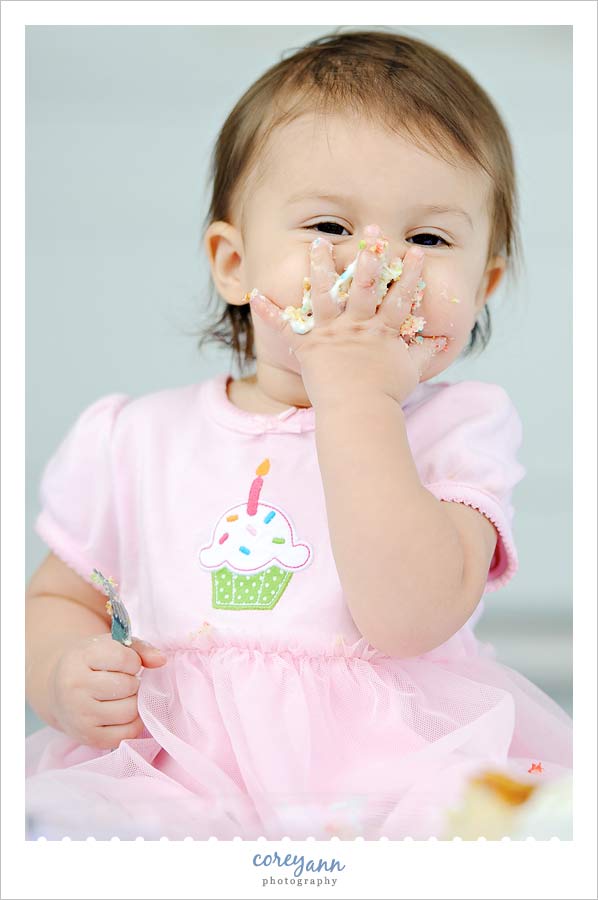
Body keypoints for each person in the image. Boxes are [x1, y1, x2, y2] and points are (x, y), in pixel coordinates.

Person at [25, 29, 572, 840]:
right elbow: (57, 598)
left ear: (484, 282)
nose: (377, 265)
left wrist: (356, 391)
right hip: (178, 768)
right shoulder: (137, 438)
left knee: (497, 836)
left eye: (428, 239)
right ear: (233, 262)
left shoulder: (459, 430)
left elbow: (408, 617)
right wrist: (61, 673)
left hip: (391, 771)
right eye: (327, 226)